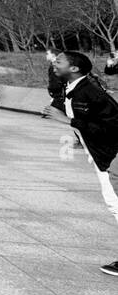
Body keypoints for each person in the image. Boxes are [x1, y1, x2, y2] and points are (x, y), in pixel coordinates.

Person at [51, 51, 118, 276]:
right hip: (102, 155)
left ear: (74, 68)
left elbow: (112, 126)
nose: (54, 63)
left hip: (111, 156)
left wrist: (69, 120)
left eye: (59, 61)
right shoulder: (74, 88)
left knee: (115, 204)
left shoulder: (90, 92)